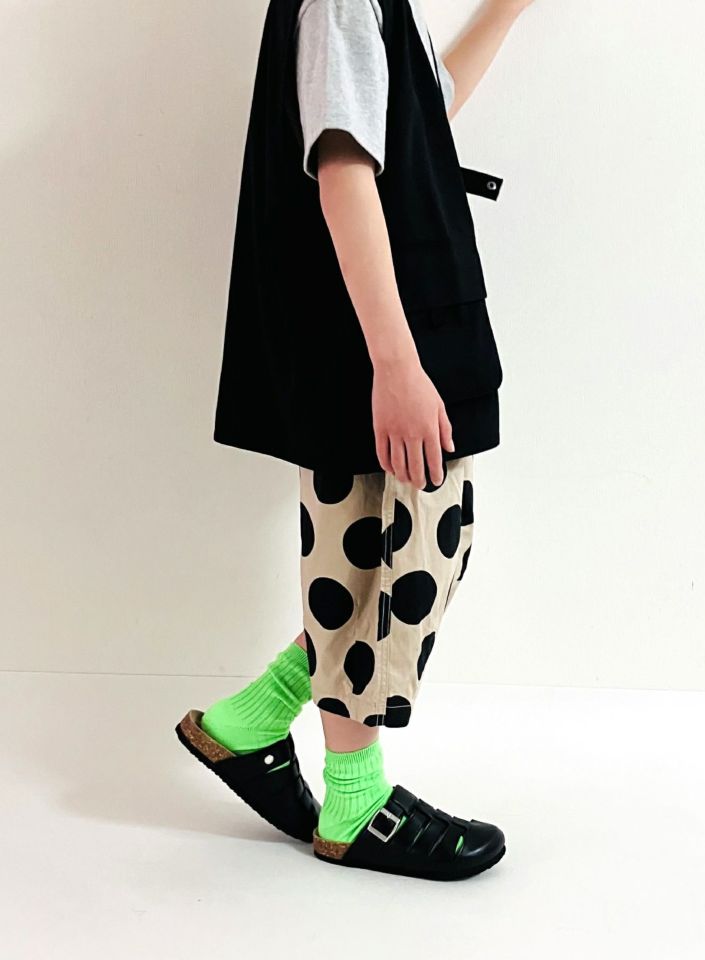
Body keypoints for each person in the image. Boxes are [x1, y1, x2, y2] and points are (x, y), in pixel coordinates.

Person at [176, 0, 533, 881]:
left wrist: (506, 9)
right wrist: (396, 364)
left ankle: (255, 724)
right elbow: (342, 167)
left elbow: (419, 109)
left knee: (384, 554)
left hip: (383, 330)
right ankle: (354, 799)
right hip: (377, 339)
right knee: (395, 553)